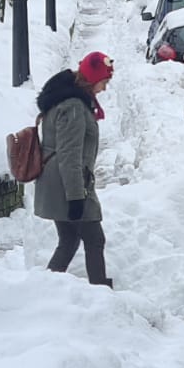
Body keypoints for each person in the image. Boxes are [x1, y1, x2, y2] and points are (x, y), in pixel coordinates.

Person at [34, 52, 114, 287]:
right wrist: (76, 197)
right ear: (92, 79)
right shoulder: (74, 108)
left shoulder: (67, 100)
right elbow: (69, 156)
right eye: (104, 82)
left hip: (60, 181)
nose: (105, 88)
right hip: (68, 183)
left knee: (69, 239)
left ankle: (45, 288)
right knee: (94, 239)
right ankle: (100, 292)